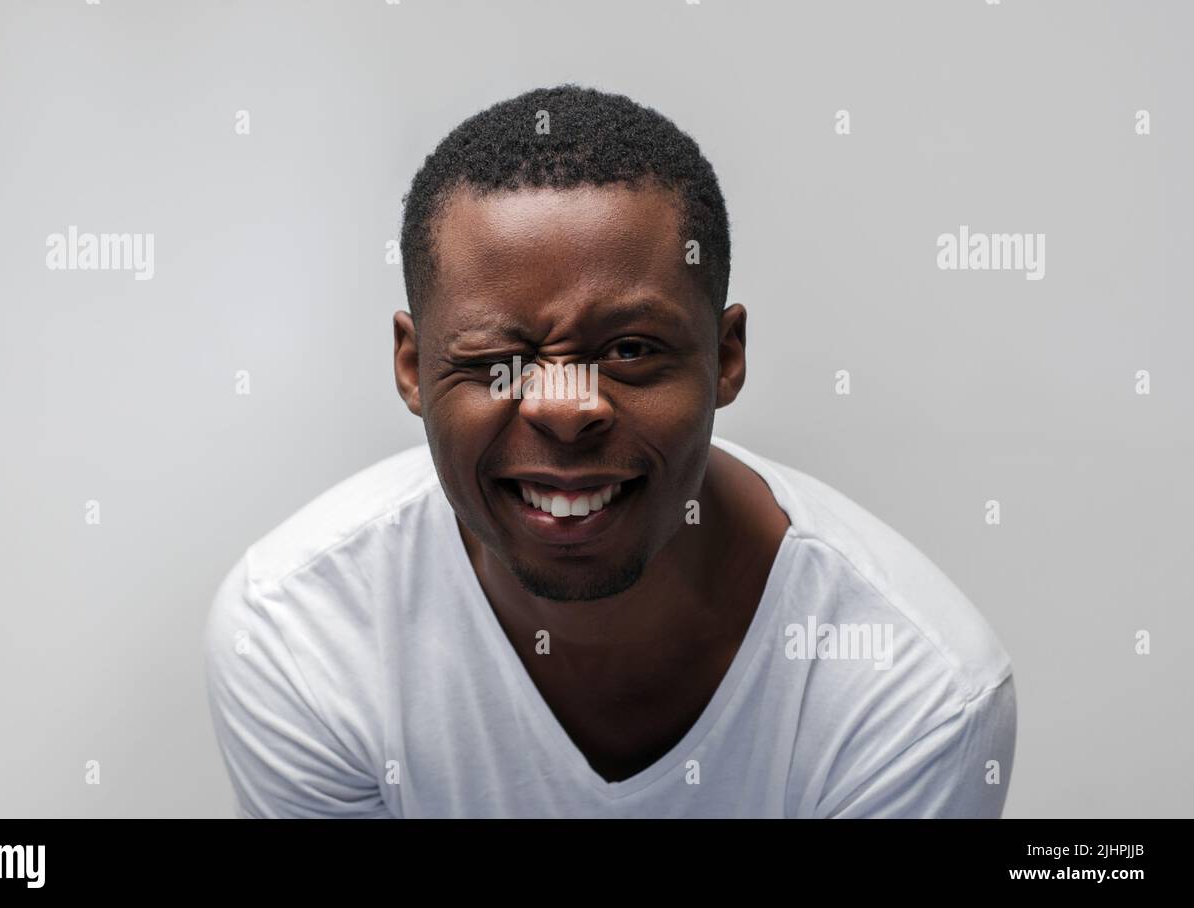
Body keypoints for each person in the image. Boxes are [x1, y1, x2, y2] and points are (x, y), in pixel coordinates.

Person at [204, 84, 1016, 817]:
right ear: (413, 369)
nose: (565, 411)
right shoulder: (301, 635)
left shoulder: (915, 694)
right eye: (499, 361)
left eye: (629, 350)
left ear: (725, 356)